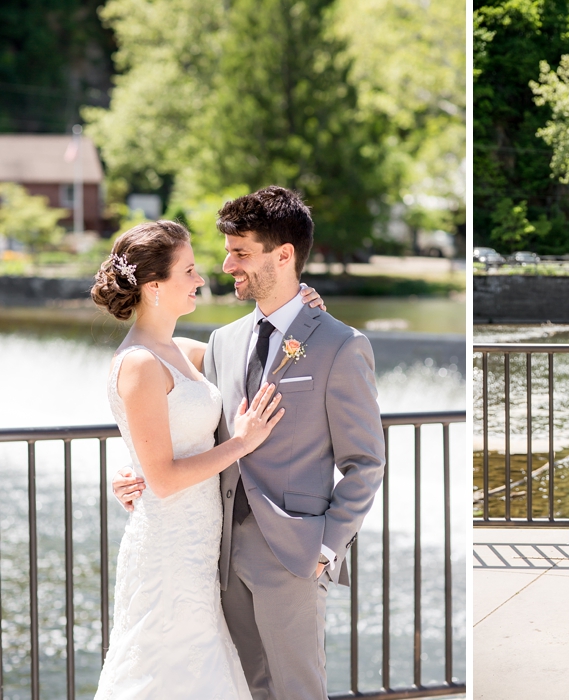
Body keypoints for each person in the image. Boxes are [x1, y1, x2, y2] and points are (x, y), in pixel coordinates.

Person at [113, 185, 384, 700]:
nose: (226, 265)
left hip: (295, 557)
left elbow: (366, 462)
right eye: (227, 251)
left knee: (299, 690)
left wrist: (326, 549)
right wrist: (139, 474)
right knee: (247, 690)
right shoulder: (221, 342)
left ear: (283, 256)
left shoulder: (341, 345)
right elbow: (172, 406)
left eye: (241, 253)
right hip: (215, 555)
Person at [91, 219, 287, 699]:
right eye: (190, 270)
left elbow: (251, 346)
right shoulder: (139, 362)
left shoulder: (178, 350)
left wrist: (303, 306)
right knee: (164, 668)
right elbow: (161, 478)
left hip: (200, 549)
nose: (202, 279)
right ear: (155, 287)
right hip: (168, 548)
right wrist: (240, 443)